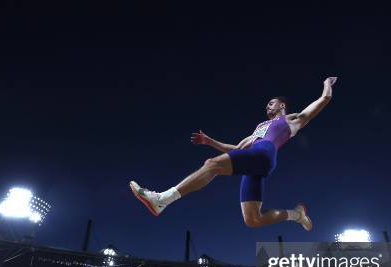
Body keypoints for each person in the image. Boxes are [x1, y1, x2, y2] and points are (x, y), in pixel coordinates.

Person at [130, 77, 337, 230]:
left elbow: (324, 99)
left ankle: (162, 199)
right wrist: (210, 141)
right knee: (253, 220)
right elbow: (237, 150)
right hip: (254, 162)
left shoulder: (291, 119)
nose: (267, 106)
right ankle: (295, 214)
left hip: (264, 154)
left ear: (282, 106)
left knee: (212, 165)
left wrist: (327, 83)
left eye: (271, 103)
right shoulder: (259, 127)